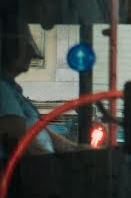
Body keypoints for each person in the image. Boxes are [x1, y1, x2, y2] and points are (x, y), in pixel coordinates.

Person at [0, 20, 77, 155]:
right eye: (26, 44)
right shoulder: (2, 90)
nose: (32, 52)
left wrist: (81, 150)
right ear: (9, 48)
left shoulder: (12, 91)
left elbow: (52, 138)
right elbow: (24, 144)